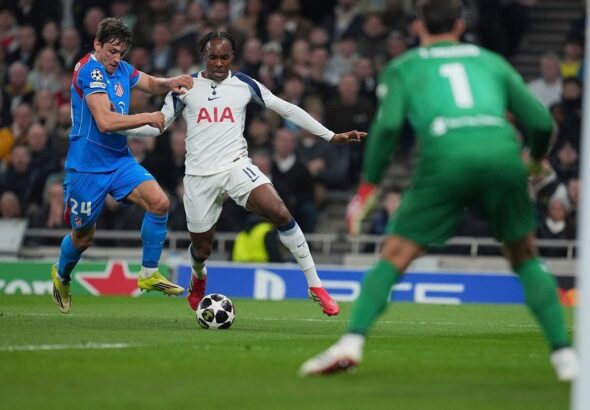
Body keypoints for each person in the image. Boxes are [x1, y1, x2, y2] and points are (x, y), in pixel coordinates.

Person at [299, 0, 578, 381]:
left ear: (418, 27)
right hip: (502, 155)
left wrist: (368, 188)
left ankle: (351, 342)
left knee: (394, 256)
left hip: (446, 158)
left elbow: (388, 127)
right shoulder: (491, 61)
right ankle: (565, 357)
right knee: (525, 256)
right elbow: (542, 123)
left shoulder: (405, 66)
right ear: (460, 25)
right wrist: (533, 161)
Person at [124, 31, 366, 316]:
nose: (219, 63)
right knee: (202, 249)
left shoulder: (244, 84)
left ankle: (315, 285)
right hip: (199, 177)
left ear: (232, 57)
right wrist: (115, 125)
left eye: (224, 57)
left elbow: (286, 109)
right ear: (204, 56)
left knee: (280, 212)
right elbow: (158, 124)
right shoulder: (185, 86)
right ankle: (198, 275)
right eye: (213, 57)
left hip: (237, 167)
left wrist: (330, 135)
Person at [50, 18, 194, 314]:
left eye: (121, 53)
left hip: (118, 160)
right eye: (112, 51)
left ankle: (148, 273)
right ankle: (62, 275)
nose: (117, 58)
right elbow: (105, 121)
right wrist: (148, 116)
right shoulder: (89, 71)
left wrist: (170, 82)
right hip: (87, 167)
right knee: (83, 237)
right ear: (97, 44)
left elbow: (148, 83)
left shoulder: (121, 69)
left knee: (159, 203)